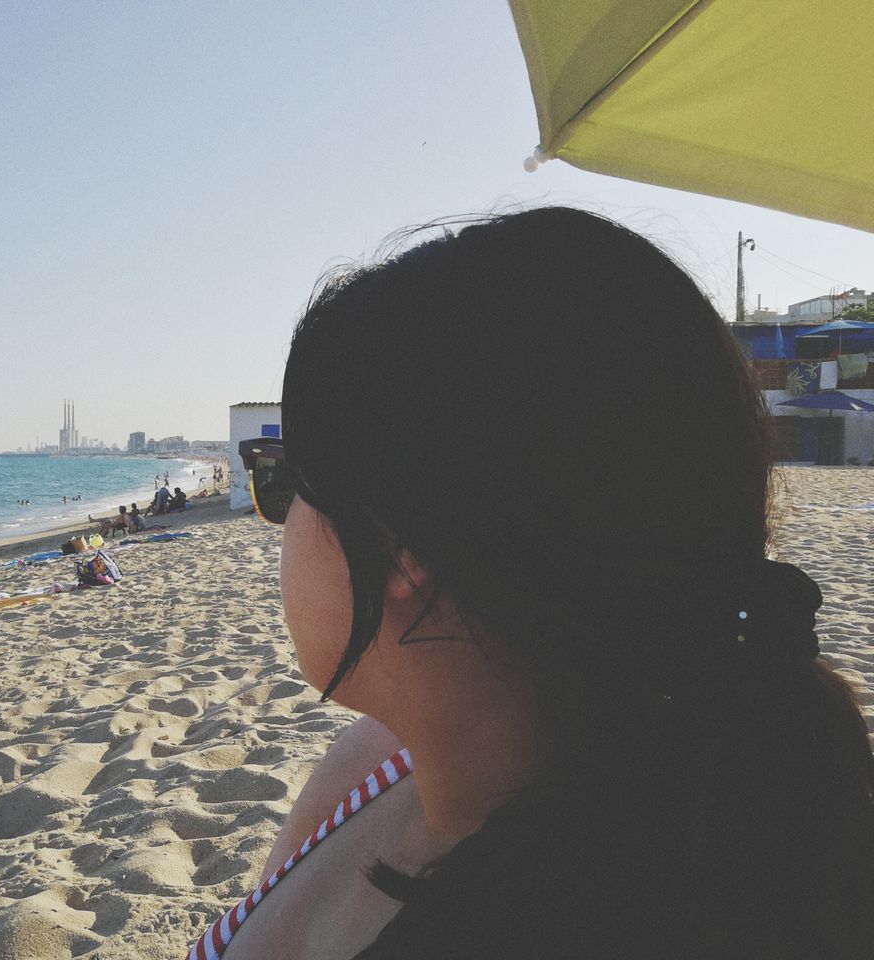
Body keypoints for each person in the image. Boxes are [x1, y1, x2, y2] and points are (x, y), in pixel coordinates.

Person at [192, 208, 874, 960]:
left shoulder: (528, 909)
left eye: (287, 482)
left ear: (402, 552)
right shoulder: (382, 759)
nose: (275, 520)